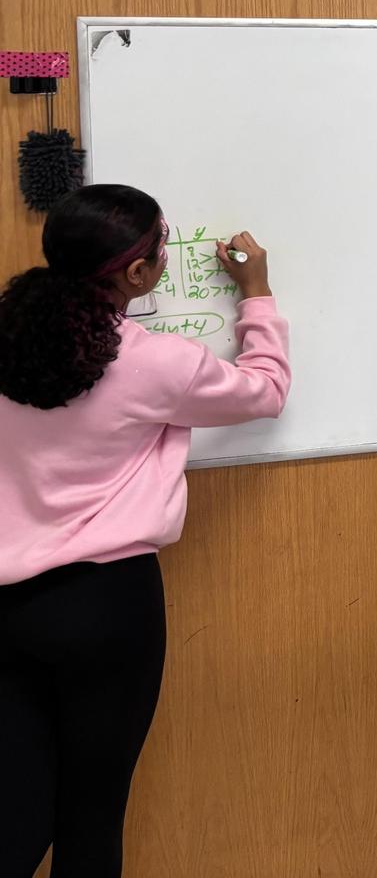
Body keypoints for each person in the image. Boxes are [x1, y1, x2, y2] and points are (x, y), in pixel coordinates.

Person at [0, 184, 289, 878]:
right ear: (137, 274)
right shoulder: (156, 362)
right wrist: (257, 294)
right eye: (163, 248)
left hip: (10, 608)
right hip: (107, 608)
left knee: (18, 805)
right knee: (92, 813)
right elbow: (266, 390)